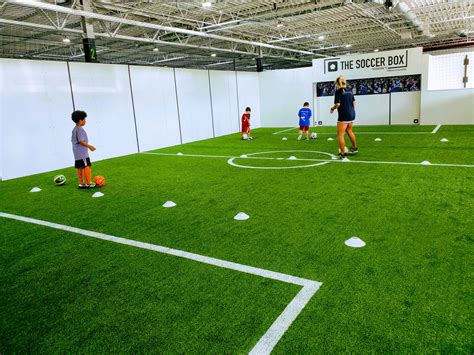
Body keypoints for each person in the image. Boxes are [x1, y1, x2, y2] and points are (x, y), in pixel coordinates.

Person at [330, 75, 358, 159]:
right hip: (352, 114)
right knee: (349, 131)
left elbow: (337, 104)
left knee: (340, 135)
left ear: (337, 84)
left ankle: (342, 153)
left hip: (343, 115)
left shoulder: (338, 91)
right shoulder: (349, 90)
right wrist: (351, 110)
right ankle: (354, 148)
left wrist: (332, 108)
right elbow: (354, 103)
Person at [71, 110, 97, 188]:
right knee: (86, 166)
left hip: (77, 153)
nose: (85, 121)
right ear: (80, 120)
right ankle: (89, 183)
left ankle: (81, 183)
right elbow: (81, 141)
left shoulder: (74, 129)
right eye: (84, 119)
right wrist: (89, 146)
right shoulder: (80, 129)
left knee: (79, 167)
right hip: (82, 154)